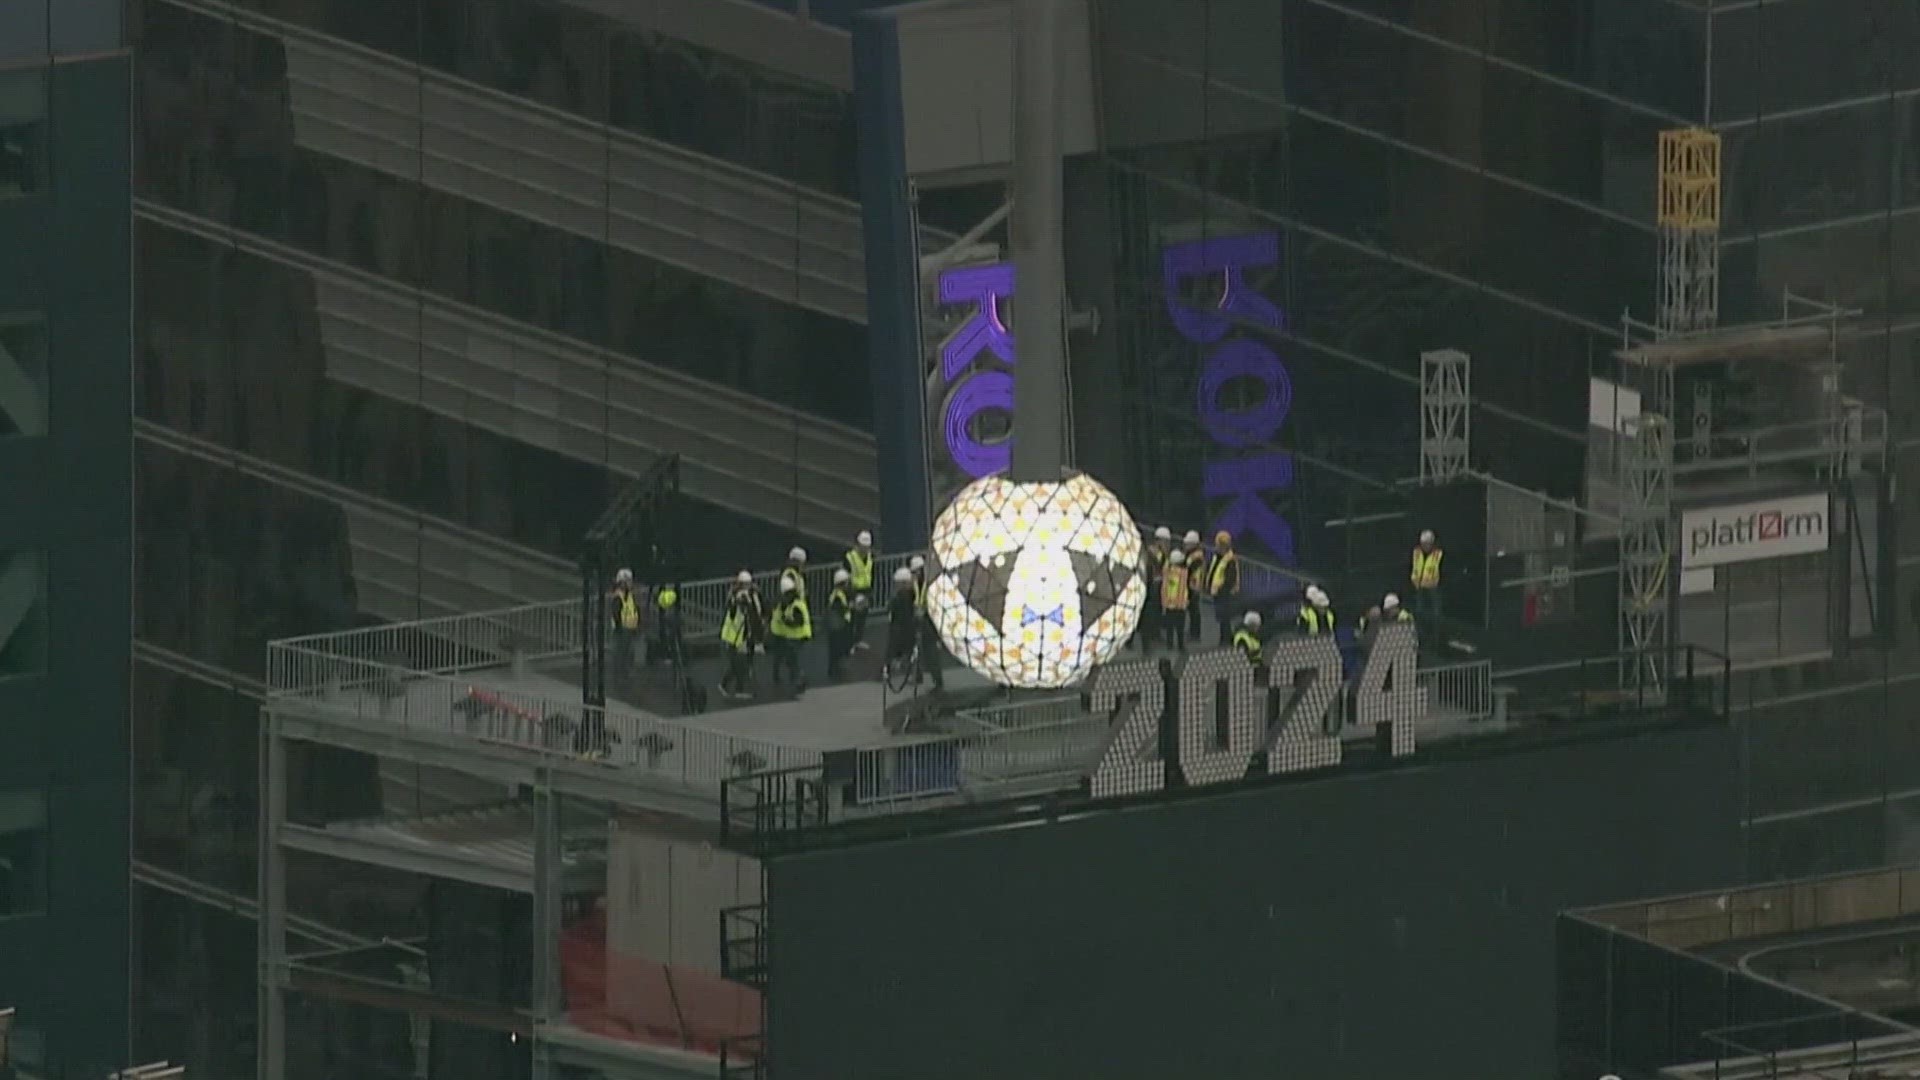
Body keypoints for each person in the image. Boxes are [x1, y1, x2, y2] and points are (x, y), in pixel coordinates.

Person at [718, 571, 762, 700]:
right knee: (739, 664)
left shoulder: (749, 595)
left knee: (741, 663)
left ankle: (728, 685)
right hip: (737, 637)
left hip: (743, 635)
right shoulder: (738, 598)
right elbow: (743, 613)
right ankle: (735, 688)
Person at [768, 577, 812, 694]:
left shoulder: (796, 605)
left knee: (793, 660)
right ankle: (797, 680)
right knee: (790, 660)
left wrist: (786, 621)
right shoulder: (788, 604)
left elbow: (798, 622)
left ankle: (799, 680)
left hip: (797, 637)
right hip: (790, 637)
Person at [1208, 530, 1242, 645]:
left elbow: (1229, 579)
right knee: (1222, 618)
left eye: (1218, 544)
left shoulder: (1230, 560)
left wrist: (1220, 590)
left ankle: (1226, 640)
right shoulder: (1218, 557)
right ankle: (1224, 638)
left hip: (1224, 594)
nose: (1216, 547)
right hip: (1218, 594)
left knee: (1225, 618)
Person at [844, 530, 876, 651]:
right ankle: (848, 643)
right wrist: (851, 595)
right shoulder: (849, 558)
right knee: (850, 618)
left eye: (867, 547)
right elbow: (846, 577)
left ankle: (858, 640)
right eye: (863, 547)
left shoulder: (870, 557)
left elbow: (871, 573)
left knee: (862, 618)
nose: (865, 550)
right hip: (853, 591)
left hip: (866, 591)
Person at [885, 566, 919, 682]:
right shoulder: (911, 594)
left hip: (901, 627)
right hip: (907, 627)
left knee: (898, 650)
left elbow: (900, 613)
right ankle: (913, 674)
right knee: (910, 652)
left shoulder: (902, 596)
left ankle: (887, 671)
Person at [610, 568, 641, 685]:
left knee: (628, 653)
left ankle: (624, 675)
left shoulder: (629, 595)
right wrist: (619, 627)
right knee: (620, 654)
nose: (630, 583)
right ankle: (620, 677)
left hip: (630, 629)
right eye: (627, 581)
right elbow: (616, 612)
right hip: (622, 630)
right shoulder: (619, 596)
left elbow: (634, 610)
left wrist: (637, 624)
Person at [826, 568, 856, 680]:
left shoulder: (839, 593)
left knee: (837, 649)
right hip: (837, 626)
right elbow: (839, 609)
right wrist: (850, 607)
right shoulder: (837, 596)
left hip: (839, 625)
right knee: (837, 649)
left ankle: (835, 670)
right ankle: (835, 671)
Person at [1159, 548, 1191, 652]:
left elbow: (1164, 587)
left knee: (1170, 627)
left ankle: (1169, 644)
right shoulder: (1184, 573)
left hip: (1169, 604)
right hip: (1180, 605)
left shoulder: (1167, 571)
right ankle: (1180, 645)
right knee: (1180, 627)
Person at [1410, 529, 1443, 622]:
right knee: (1419, 611)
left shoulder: (1438, 553)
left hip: (1433, 587)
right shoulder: (1416, 552)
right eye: (1422, 543)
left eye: (1426, 544)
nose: (1424, 546)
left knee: (1436, 613)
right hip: (1418, 586)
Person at [649, 580, 683, 665]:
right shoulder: (666, 588)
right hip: (666, 613)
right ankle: (670, 655)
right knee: (667, 634)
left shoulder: (671, 588)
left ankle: (674, 655)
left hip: (669, 613)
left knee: (672, 635)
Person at [1182, 530, 1206, 643]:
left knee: (1194, 611)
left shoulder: (1196, 557)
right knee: (1192, 610)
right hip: (1192, 585)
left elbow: (1189, 569)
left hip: (1193, 586)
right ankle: (1193, 632)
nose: (1185, 545)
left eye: (1187, 543)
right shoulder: (1193, 554)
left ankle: (1195, 634)